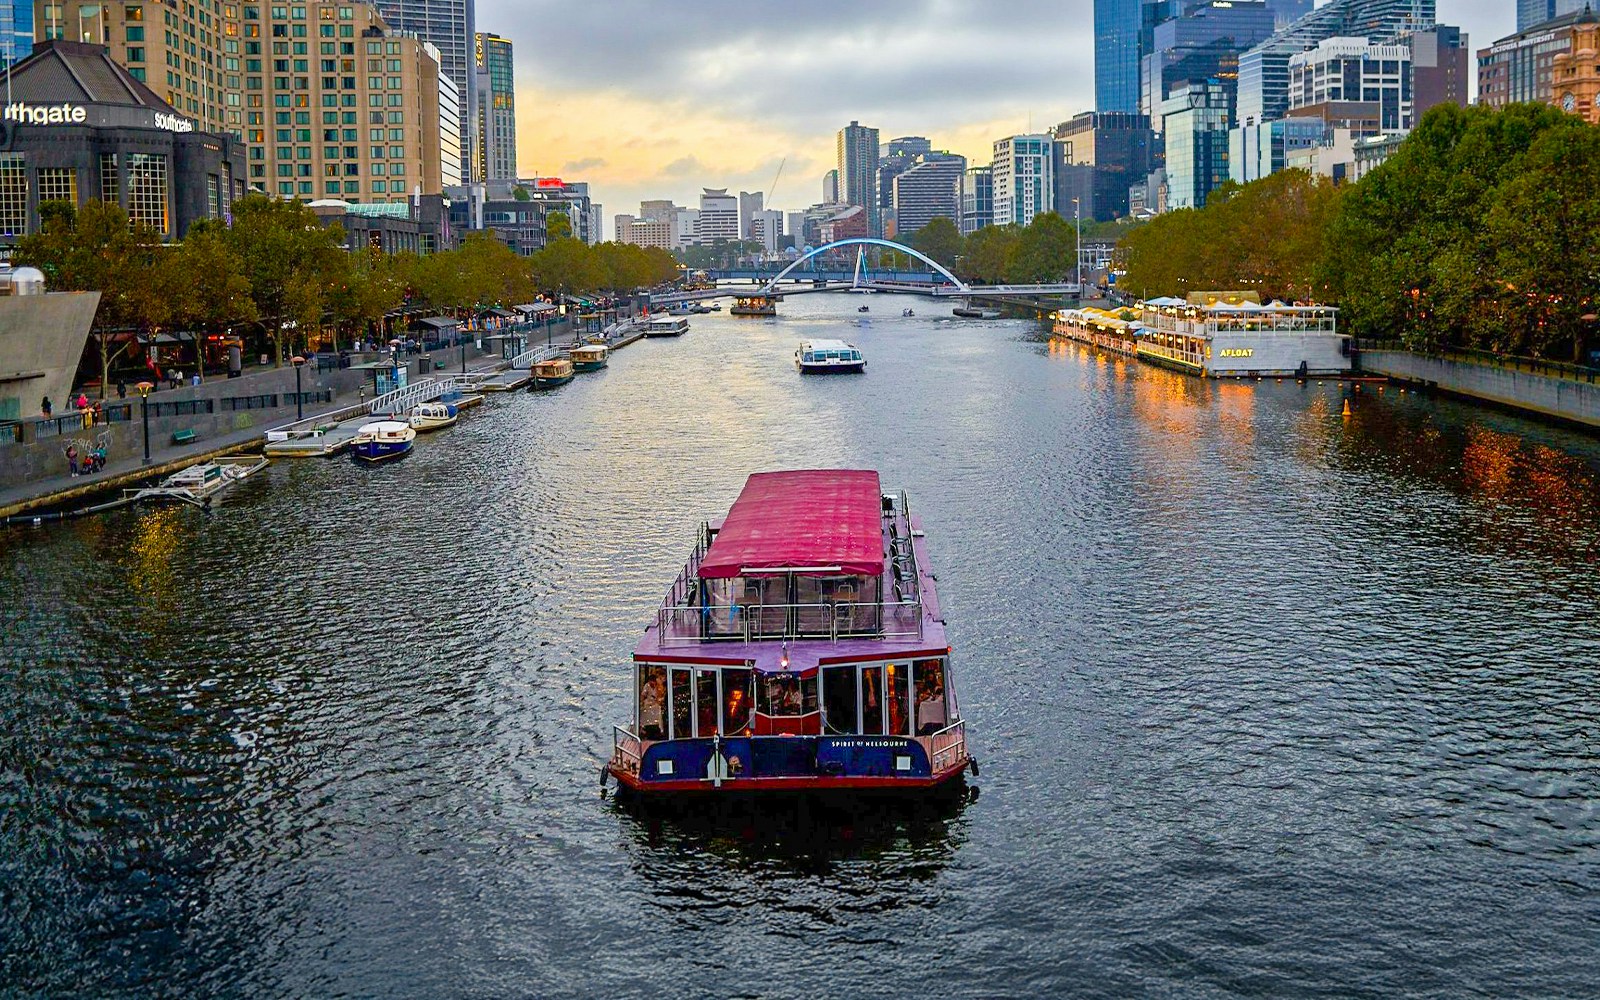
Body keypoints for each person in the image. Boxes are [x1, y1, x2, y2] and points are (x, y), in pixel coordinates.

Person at [639, 671, 665, 740]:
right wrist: (642, 703)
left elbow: (661, 694)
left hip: (656, 703)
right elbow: (643, 695)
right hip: (648, 702)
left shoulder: (658, 686)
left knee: (658, 710)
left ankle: (660, 727)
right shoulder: (647, 686)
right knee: (644, 710)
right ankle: (643, 726)